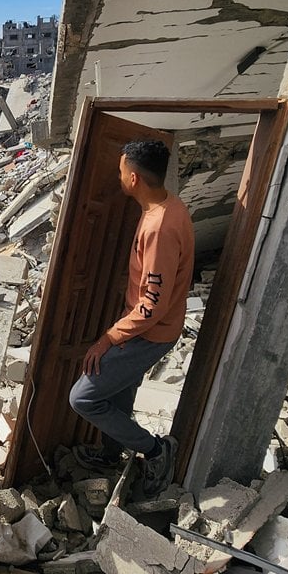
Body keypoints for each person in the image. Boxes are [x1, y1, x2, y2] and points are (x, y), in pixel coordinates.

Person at [69, 139, 195, 496]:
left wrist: (109, 338)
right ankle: (111, 454)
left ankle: (156, 450)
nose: (119, 175)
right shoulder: (169, 207)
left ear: (135, 177)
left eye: (121, 170)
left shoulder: (160, 227)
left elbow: (152, 305)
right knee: (120, 390)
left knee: (84, 398)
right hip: (150, 326)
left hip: (150, 332)